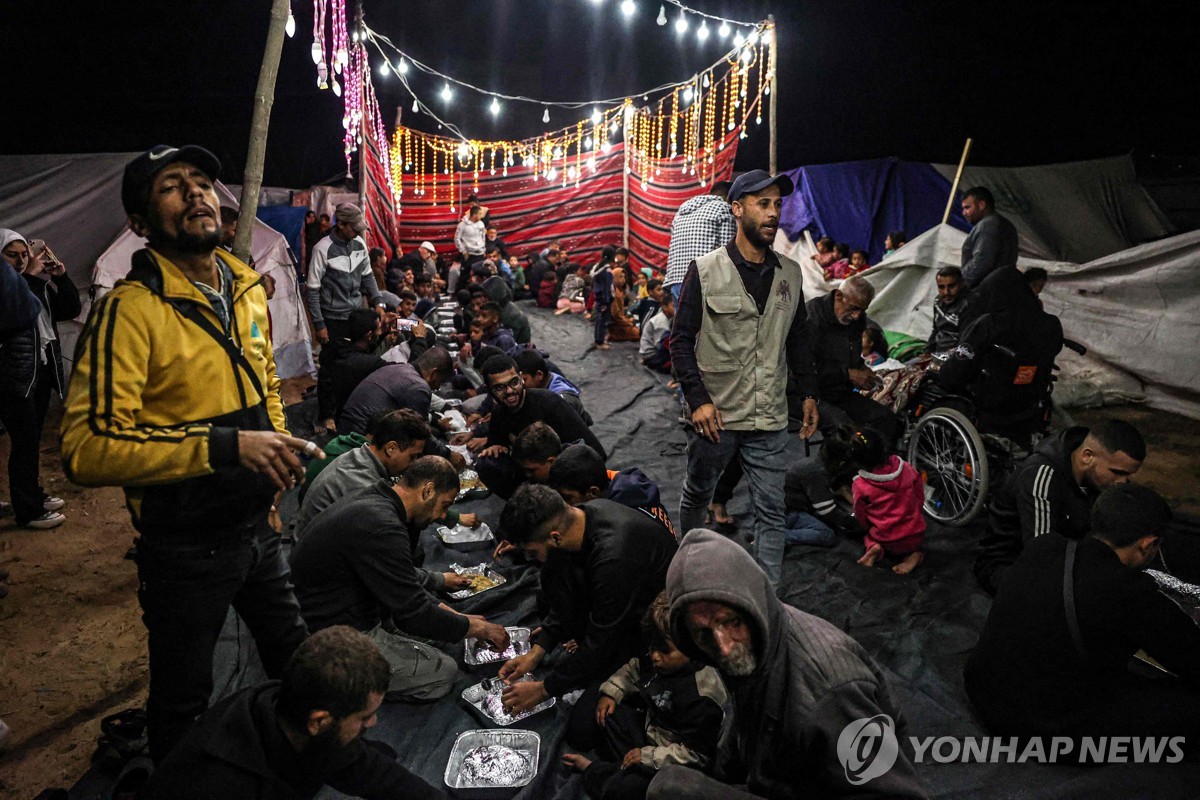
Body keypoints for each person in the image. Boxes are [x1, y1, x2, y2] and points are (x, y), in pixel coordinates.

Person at [61, 145, 316, 762]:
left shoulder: (246, 287)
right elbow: (87, 449)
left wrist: (275, 467)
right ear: (142, 224)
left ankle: (314, 765)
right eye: (172, 187)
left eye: (201, 182)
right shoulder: (129, 312)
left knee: (300, 664)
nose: (196, 193)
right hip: (183, 547)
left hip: (257, 529)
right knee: (182, 701)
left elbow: (263, 383)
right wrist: (228, 447)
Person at [646, 530, 926, 800]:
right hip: (782, 773)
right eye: (703, 632)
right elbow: (745, 721)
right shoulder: (756, 636)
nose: (724, 646)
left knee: (671, 789)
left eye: (730, 622)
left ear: (748, 606)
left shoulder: (829, 693)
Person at [670, 169, 821, 587]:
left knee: (771, 511)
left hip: (769, 414)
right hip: (715, 415)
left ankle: (767, 601)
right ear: (737, 210)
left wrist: (808, 393)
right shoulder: (705, 270)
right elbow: (680, 340)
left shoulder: (790, 274)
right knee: (698, 493)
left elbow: (798, 339)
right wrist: (697, 399)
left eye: (777, 204)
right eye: (762, 203)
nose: (773, 213)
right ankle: (690, 572)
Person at [965, 483, 1200, 749]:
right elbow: (1191, 657)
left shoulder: (1043, 547)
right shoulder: (1127, 590)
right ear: (1147, 545)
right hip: (1043, 728)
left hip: (983, 693)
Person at [142, 626, 450, 800]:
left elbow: (374, 773)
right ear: (319, 720)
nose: (374, 722)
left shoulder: (295, 718)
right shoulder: (220, 783)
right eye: (364, 717)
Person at [291, 457, 510, 702]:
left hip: (353, 607)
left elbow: (404, 582)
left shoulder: (378, 501)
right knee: (443, 673)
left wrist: (459, 618)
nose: (441, 516)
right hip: (331, 634)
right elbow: (413, 613)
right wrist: (476, 627)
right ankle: (338, 682)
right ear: (427, 491)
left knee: (441, 632)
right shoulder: (382, 525)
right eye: (444, 506)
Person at [494, 485, 678, 730]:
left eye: (531, 552)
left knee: (582, 728)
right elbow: (561, 591)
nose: (530, 560)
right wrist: (537, 652)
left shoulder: (614, 558)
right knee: (548, 583)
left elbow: (601, 642)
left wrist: (543, 690)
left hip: (650, 626)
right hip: (611, 605)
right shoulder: (575, 521)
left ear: (555, 537)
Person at [562, 592, 728, 800]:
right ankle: (618, 766)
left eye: (664, 651)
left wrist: (648, 757)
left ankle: (595, 770)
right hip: (651, 729)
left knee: (631, 789)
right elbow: (633, 670)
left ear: (693, 645)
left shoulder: (703, 696)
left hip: (675, 758)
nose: (655, 657)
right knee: (607, 716)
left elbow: (697, 755)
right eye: (652, 647)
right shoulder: (656, 656)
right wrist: (612, 692)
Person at [974, 420, 1145, 596]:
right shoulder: (1040, 476)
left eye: (1128, 475)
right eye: (1117, 472)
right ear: (1087, 456)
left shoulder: (1097, 475)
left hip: (1067, 550)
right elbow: (1041, 555)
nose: (1122, 482)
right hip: (1008, 563)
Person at [1, 230, 81, 529]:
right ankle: (29, 511)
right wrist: (32, 279)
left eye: (25, 254)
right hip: (15, 378)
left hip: (40, 371)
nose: (22, 261)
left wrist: (60, 277)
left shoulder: (34, 285)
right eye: (12, 255)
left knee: (31, 442)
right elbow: (16, 309)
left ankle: (32, 495)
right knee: (23, 443)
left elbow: (70, 309)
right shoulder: (10, 288)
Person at [472, 355, 605, 499]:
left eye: (514, 382)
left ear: (521, 377)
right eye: (500, 387)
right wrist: (495, 447)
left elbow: (594, 452)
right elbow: (496, 445)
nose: (509, 391)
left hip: (560, 474)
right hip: (528, 474)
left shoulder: (550, 404)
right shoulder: (499, 413)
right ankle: (522, 501)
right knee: (487, 463)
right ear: (489, 390)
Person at [294, 409, 443, 538]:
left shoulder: (358, 456)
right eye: (413, 456)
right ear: (391, 448)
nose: (414, 463)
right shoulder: (363, 484)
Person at [307, 202, 385, 431]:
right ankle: (327, 415)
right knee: (330, 366)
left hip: (355, 315)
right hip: (333, 318)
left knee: (354, 362)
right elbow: (312, 290)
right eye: (354, 227)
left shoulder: (359, 243)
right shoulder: (322, 249)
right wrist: (319, 324)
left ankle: (348, 408)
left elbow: (368, 276)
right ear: (340, 225)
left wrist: (378, 301)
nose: (358, 232)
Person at [806, 274, 900, 443]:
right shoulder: (812, 316)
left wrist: (863, 371)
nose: (857, 316)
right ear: (838, 296)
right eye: (853, 308)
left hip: (839, 391)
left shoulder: (857, 321)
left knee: (886, 420)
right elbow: (804, 368)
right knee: (844, 429)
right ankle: (835, 467)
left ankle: (877, 466)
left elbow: (853, 356)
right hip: (810, 394)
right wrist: (848, 374)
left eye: (862, 310)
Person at [547, 443, 677, 538]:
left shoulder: (616, 522)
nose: (564, 504)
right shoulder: (622, 486)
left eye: (567, 498)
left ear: (593, 493)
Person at [849, 427, 926, 574]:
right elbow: (920, 496)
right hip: (915, 535)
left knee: (868, 535)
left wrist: (868, 528)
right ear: (884, 447)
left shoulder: (860, 485)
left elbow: (861, 516)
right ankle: (914, 554)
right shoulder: (906, 468)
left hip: (886, 540)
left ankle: (873, 547)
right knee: (914, 543)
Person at [337, 347, 454, 435]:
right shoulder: (419, 386)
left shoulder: (400, 368)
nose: (437, 388)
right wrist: (448, 454)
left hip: (347, 427)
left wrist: (436, 423)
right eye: (440, 382)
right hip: (362, 437)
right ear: (434, 373)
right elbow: (419, 436)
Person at [664, 181, 735, 303]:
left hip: (676, 281)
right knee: (708, 322)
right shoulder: (723, 209)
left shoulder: (681, 213)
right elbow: (728, 254)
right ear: (729, 197)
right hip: (704, 281)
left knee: (681, 321)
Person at [317, 307, 385, 421]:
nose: (380, 332)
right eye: (378, 329)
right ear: (369, 335)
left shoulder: (334, 349)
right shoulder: (368, 363)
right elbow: (406, 370)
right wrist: (419, 339)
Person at [515, 349, 593, 426]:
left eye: (524, 379)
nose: (521, 384)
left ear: (539, 375)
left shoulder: (561, 401)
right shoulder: (547, 375)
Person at [960, 186, 1018, 288]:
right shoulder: (1006, 224)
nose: (964, 213)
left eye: (967, 207)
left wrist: (961, 286)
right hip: (1001, 288)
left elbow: (982, 261)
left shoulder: (987, 225)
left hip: (984, 292)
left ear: (981, 205)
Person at [924, 266, 970, 354]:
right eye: (941, 287)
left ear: (961, 284)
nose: (946, 292)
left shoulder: (969, 305)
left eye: (951, 286)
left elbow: (967, 342)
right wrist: (927, 353)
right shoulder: (938, 301)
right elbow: (936, 330)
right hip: (938, 353)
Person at [482, 273, 531, 344]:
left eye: (485, 297)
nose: (483, 300)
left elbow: (507, 344)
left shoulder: (511, 317)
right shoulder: (503, 308)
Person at [639, 290, 674, 373]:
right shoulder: (661, 321)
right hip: (651, 355)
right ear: (665, 307)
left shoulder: (669, 317)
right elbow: (660, 345)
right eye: (674, 306)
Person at [607, 267, 642, 342]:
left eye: (624, 277)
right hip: (617, 325)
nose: (623, 279)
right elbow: (616, 316)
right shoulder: (615, 294)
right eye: (620, 277)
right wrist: (628, 322)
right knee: (638, 334)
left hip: (620, 322)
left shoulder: (619, 291)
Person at [454, 205, 487, 270]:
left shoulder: (481, 223)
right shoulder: (462, 225)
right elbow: (457, 238)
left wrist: (484, 249)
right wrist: (463, 251)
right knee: (467, 273)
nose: (481, 216)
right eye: (480, 214)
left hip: (480, 253)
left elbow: (483, 237)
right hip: (469, 254)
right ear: (474, 214)